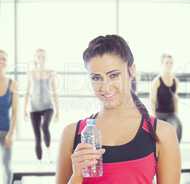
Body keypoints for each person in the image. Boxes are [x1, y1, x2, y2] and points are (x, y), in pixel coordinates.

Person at [56, 35, 181, 184]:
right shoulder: (72, 134)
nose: (105, 87)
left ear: (131, 71)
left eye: (113, 75)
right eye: (96, 78)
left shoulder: (162, 134)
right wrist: (77, 175)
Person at [24, 48, 59, 162]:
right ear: (35, 58)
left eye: (43, 57)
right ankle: (39, 160)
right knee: (37, 136)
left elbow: (54, 92)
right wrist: (24, 109)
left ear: (46, 58)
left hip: (48, 106)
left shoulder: (50, 72)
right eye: (39, 57)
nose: (41, 59)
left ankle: (49, 153)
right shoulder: (31, 73)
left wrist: (58, 111)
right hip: (34, 108)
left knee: (44, 127)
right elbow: (27, 92)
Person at [150, 53, 182, 142]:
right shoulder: (157, 81)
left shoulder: (175, 81)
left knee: (178, 126)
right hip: (159, 114)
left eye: (171, 63)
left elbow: (175, 99)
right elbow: (152, 100)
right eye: (167, 63)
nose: (169, 65)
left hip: (171, 114)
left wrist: (176, 114)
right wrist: (153, 116)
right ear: (162, 64)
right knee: (160, 135)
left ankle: (174, 149)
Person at [0, 49, 18, 184]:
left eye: (3, 59)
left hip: (5, 131)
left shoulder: (12, 84)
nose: (1, 61)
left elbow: (15, 112)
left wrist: (11, 134)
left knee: (7, 166)